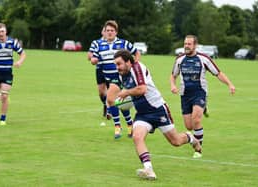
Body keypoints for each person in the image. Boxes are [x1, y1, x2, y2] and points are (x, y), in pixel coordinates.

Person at [114, 49, 201, 180]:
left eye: (119, 64)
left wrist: (125, 93)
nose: (117, 67)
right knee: (137, 137)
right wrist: (123, 99)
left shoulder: (137, 68)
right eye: (116, 64)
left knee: (176, 141)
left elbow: (142, 89)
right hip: (142, 113)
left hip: (158, 109)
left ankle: (190, 137)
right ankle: (148, 169)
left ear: (128, 62)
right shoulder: (122, 75)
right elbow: (131, 92)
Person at [170, 35, 235, 158]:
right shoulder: (179, 59)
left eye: (189, 44)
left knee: (196, 120)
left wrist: (229, 84)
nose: (186, 46)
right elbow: (173, 75)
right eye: (185, 44)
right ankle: (203, 109)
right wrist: (173, 85)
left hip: (199, 92)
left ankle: (198, 149)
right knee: (189, 126)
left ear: (195, 45)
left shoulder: (203, 59)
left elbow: (218, 73)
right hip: (185, 95)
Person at [90, 20, 140, 139]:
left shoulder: (123, 43)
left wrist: (135, 65)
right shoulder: (99, 45)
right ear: (104, 32)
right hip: (108, 77)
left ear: (116, 32)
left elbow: (136, 52)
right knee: (121, 103)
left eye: (112, 30)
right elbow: (94, 58)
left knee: (111, 99)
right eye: (108, 31)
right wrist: (93, 60)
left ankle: (117, 126)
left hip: (121, 77)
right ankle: (129, 124)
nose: (110, 33)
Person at [0, 23, 26, 125]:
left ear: (6, 31)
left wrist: (19, 62)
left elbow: (22, 53)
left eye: (2, 31)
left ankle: (2, 118)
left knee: (4, 96)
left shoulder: (12, 42)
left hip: (7, 72)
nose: (0, 33)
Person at [88, 27, 111, 119]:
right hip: (100, 69)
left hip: (111, 70)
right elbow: (89, 54)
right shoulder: (96, 43)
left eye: (109, 30)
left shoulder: (114, 43)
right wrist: (93, 58)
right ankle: (106, 104)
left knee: (111, 91)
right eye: (105, 30)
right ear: (102, 32)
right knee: (101, 93)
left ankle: (110, 110)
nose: (107, 32)